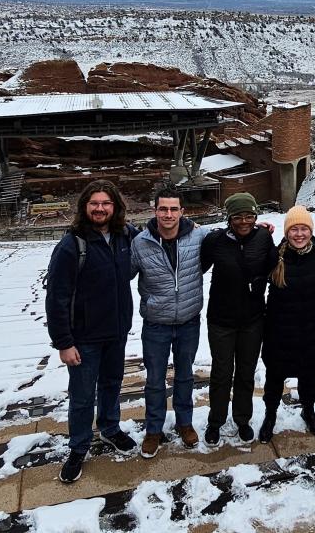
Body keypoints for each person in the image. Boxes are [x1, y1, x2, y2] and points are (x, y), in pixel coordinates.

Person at [44, 180, 139, 484]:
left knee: (112, 384)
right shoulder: (72, 245)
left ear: (115, 207)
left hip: (116, 331)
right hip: (84, 337)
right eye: (95, 203)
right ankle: (79, 447)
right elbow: (56, 296)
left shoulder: (126, 237)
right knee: (83, 396)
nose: (100, 208)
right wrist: (63, 342)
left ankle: (110, 429)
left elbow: (163, 231)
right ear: (85, 207)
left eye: (106, 203)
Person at [132, 186, 209, 459]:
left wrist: (264, 230)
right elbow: (119, 271)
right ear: (155, 211)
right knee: (154, 379)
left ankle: (184, 423)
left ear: (182, 212)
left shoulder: (198, 236)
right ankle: (153, 429)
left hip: (188, 319)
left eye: (173, 209)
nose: (168, 214)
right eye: (163, 209)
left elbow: (229, 238)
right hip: (156, 323)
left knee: (185, 375)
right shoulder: (141, 243)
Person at [199, 192, 276, 446]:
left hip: (253, 319)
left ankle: (242, 419)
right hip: (221, 320)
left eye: (249, 216)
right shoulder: (215, 241)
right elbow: (196, 267)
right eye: (238, 217)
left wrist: (261, 280)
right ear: (228, 218)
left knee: (245, 372)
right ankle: (215, 421)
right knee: (221, 373)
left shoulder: (264, 237)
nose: (244, 221)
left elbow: (275, 265)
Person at [260, 206, 315, 443]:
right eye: (294, 229)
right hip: (280, 329)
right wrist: (260, 233)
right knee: (275, 376)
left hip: (311, 326)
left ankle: (308, 410)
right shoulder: (274, 255)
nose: (299, 234)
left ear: (310, 231)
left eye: (304, 229)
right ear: (286, 232)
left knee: (308, 374)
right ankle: (270, 415)